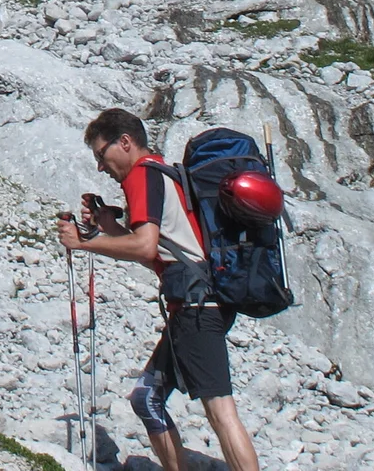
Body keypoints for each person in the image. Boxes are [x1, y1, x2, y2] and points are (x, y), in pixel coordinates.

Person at [58, 108, 260, 471]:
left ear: (124, 142)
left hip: (197, 308)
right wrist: (105, 228)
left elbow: (145, 247)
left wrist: (83, 244)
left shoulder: (142, 175)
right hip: (201, 303)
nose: (101, 167)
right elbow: (157, 253)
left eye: (101, 156)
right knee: (146, 398)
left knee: (220, 412)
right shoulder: (162, 173)